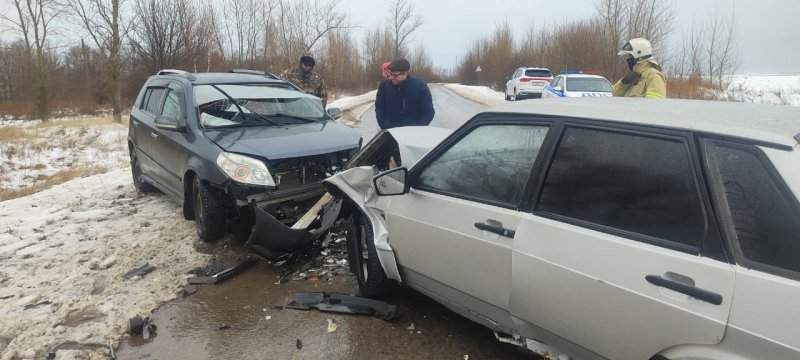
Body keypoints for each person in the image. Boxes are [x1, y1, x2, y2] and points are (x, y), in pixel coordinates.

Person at [374, 58, 435, 130]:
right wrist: (384, 125)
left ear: (405, 73)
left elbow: (429, 112)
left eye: (395, 75)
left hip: (413, 135)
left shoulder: (420, 87)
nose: (391, 78)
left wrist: (416, 129)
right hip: (390, 133)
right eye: (390, 74)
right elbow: (379, 107)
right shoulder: (384, 86)